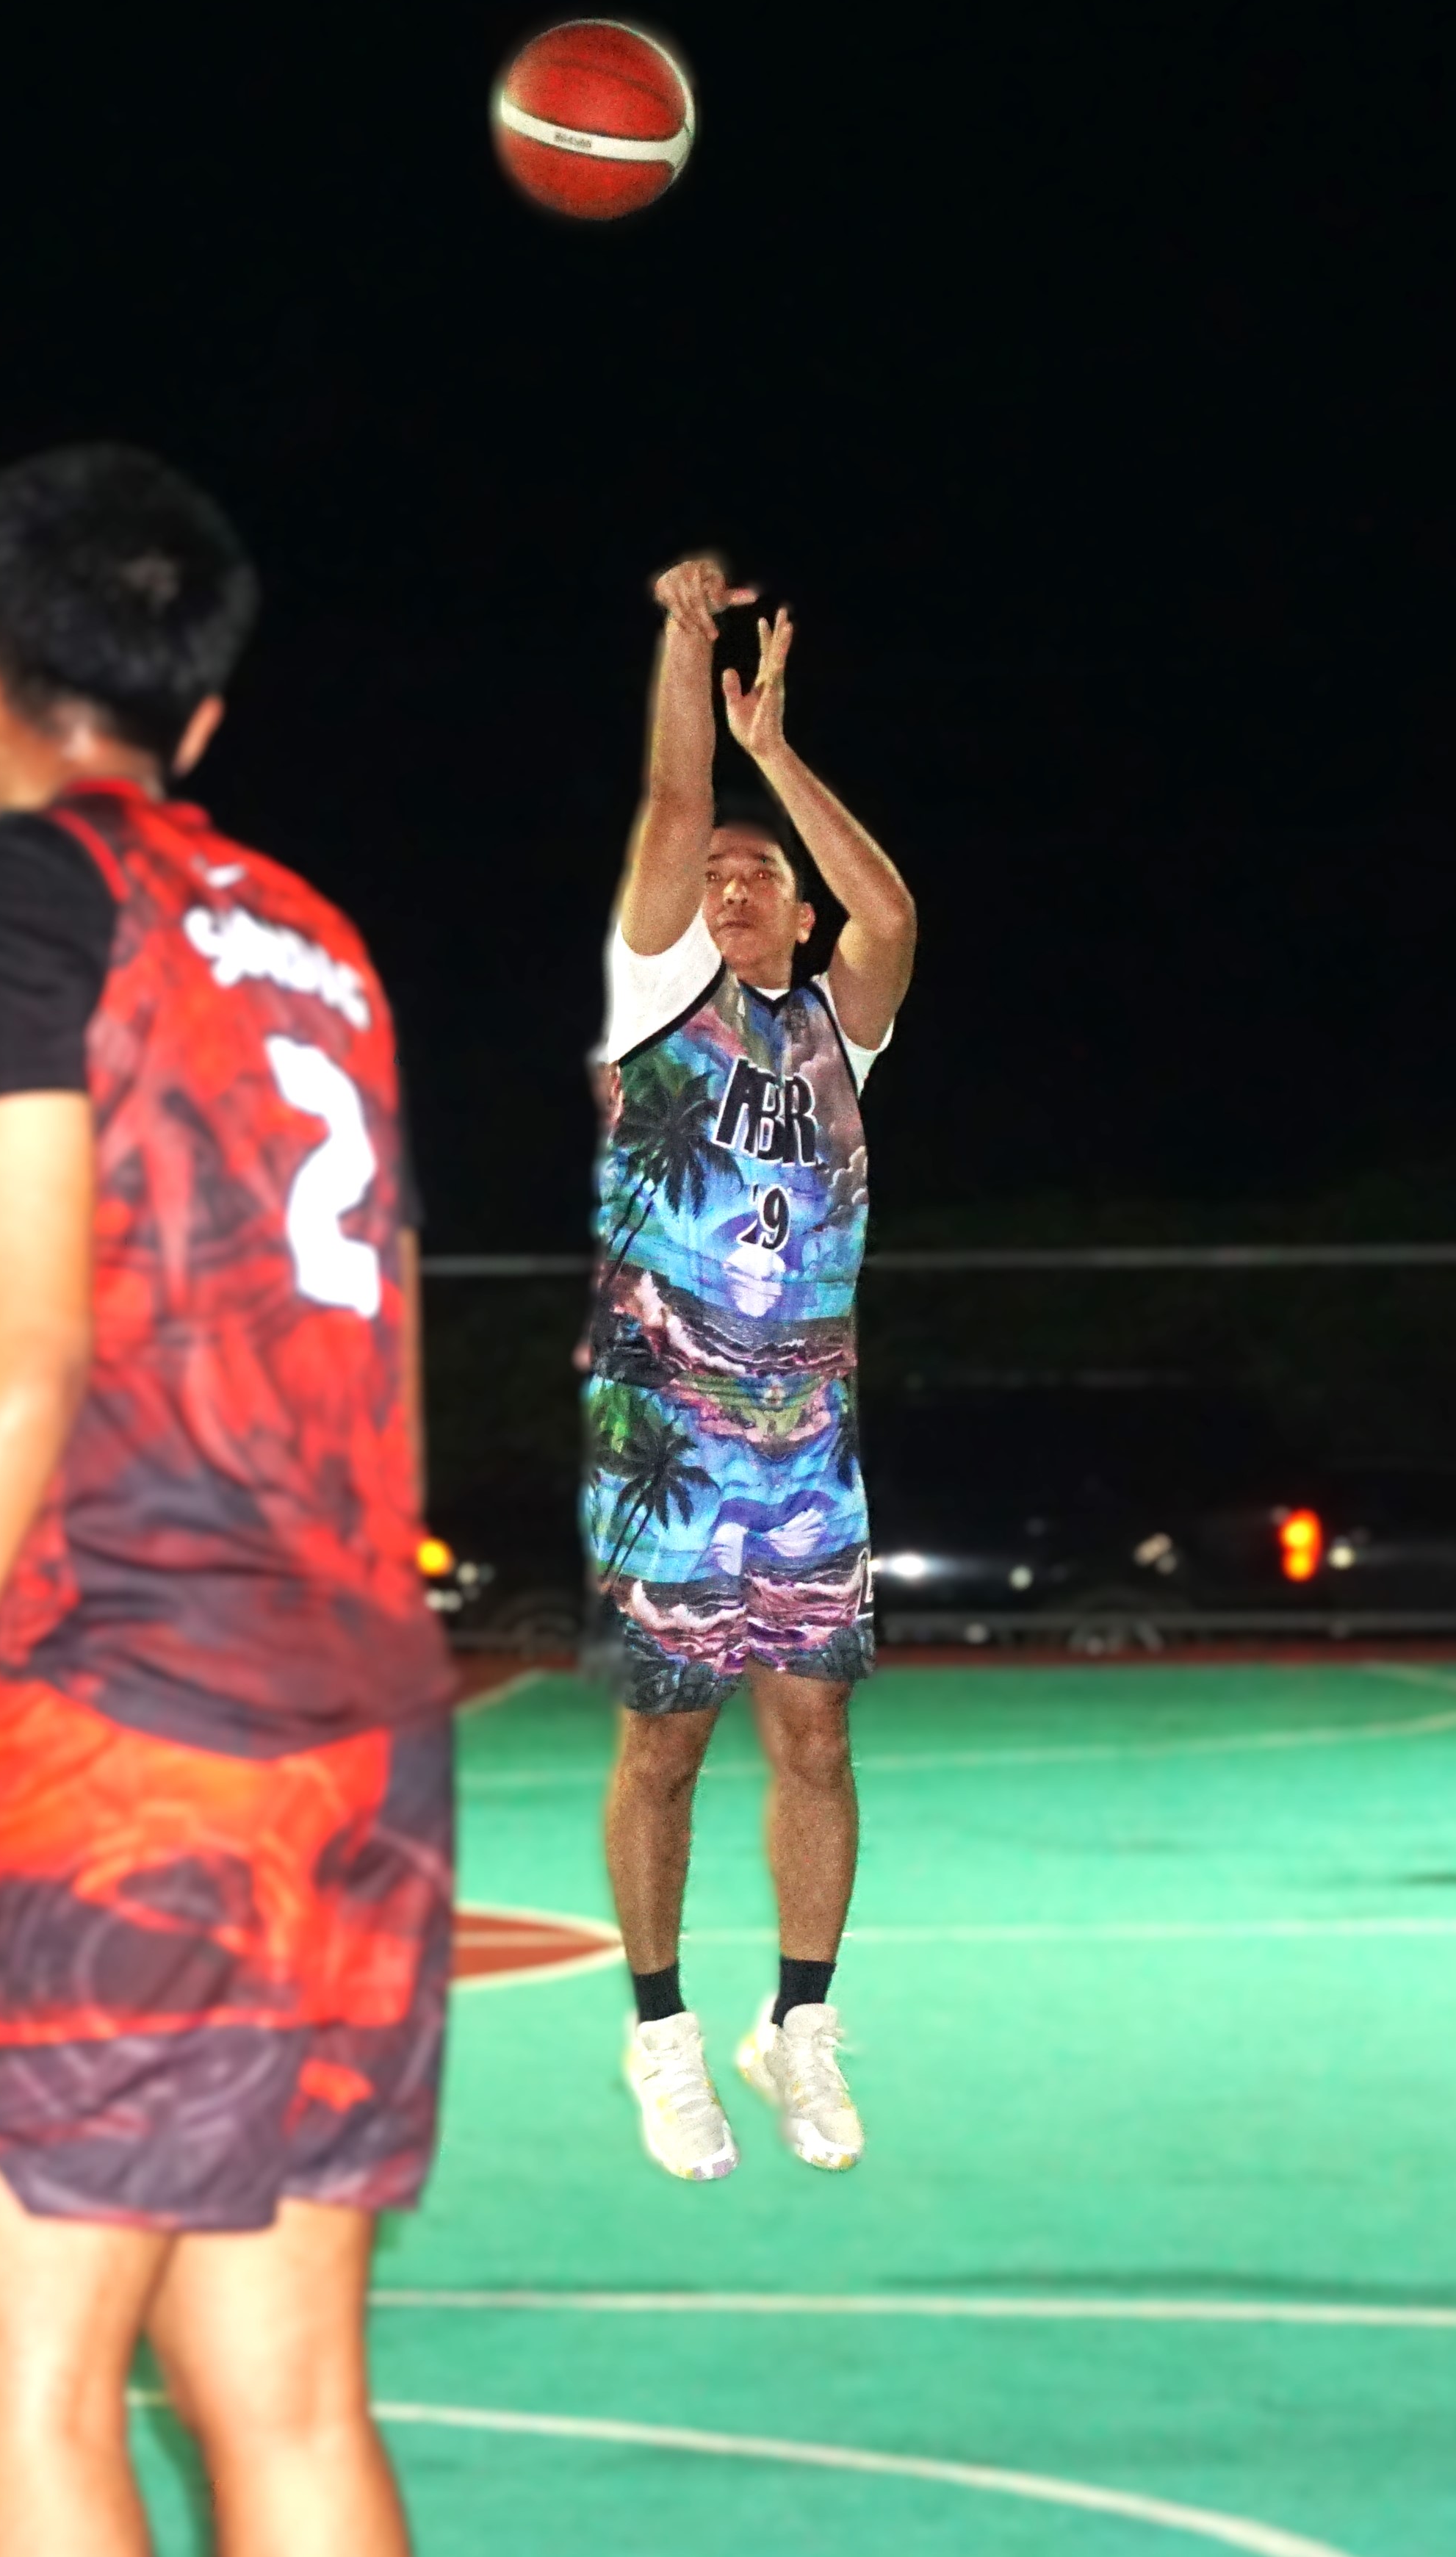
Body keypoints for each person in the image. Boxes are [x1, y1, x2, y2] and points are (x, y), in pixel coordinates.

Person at [0, 444, 450, 2556]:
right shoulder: (313, 934)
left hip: (144, 1727)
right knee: (282, 2396)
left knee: (9, 2394)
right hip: (368, 1739)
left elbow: (14, 1347)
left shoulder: (8, 891)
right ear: (198, 717)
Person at [585, 555, 915, 2181]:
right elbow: (666, 791)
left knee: (816, 1739)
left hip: (807, 1442)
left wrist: (781, 755)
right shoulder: (658, 995)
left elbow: (899, 916)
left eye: (752, 874)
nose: (722, 884)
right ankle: (658, 2034)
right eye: (708, 871)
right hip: (666, 1428)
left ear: (796, 911)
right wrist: (685, 645)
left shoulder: (837, 1028)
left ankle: (798, 2022)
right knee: (665, 1742)